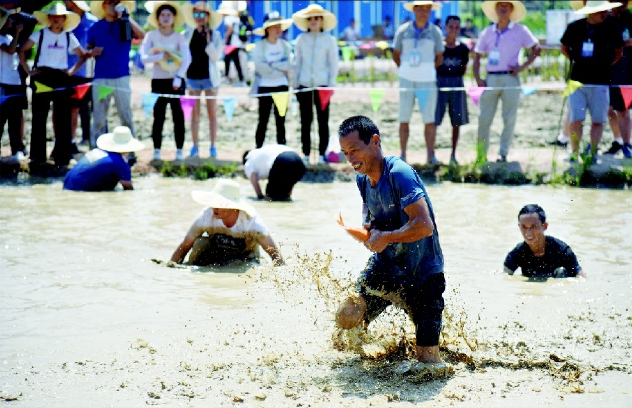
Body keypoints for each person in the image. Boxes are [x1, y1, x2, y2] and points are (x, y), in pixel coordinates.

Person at [335, 116, 446, 370]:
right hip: (386, 266)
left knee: (427, 365)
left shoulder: (399, 174)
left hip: (424, 272)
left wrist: (385, 237)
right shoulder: (362, 178)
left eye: (355, 151)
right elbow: (369, 211)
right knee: (346, 316)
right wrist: (368, 228)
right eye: (345, 153)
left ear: (375, 141)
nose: (351, 160)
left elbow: (424, 225)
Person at [18, 3, 87, 169]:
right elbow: (22, 50)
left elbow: (82, 55)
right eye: (54, 17)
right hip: (41, 75)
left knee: (63, 117)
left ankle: (62, 157)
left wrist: (71, 72)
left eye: (60, 17)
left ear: (64, 19)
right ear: (49, 18)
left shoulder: (69, 36)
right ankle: (37, 157)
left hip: (61, 77)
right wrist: (28, 71)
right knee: (39, 117)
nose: (57, 20)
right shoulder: (40, 34)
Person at [474, 1, 540, 163]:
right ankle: (481, 154)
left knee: (509, 117)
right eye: (500, 6)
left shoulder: (520, 30)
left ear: (511, 10)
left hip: (510, 77)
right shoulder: (487, 32)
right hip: (490, 77)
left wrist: (522, 67)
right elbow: (477, 55)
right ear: (496, 9)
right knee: (484, 117)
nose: (503, 9)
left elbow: (536, 48)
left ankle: (502, 153)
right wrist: (477, 77)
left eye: (507, 6)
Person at [561, 0, 623, 162]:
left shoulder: (611, 28)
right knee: (576, 118)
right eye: (599, 11)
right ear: (589, 12)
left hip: (601, 81)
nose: (603, 14)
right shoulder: (574, 28)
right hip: (577, 81)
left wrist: (603, 65)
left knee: (598, 119)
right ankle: (574, 152)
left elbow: (619, 52)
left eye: (605, 11)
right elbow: (564, 48)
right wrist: (578, 61)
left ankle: (593, 153)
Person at [170, 179, 285, 266]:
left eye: (220, 204)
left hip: (246, 258)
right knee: (199, 243)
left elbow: (275, 254)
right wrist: (172, 266)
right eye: (214, 203)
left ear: (234, 207)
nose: (215, 207)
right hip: (216, 254)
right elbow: (185, 246)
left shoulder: (252, 223)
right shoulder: (206, 216)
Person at [87, 1, 144, 153]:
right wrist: (92, 53)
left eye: (117, 2)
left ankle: (130, 152)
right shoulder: (95, 27)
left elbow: (142, 35)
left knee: (125, 114)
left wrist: (127, 17)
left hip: (122, 77)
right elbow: (87, 50)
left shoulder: (125, 24)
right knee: (99, 117)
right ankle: (95, 151)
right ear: (104, 6)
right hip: (101, 77)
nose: (114, 5)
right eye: (110, 2)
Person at [392, 1, 444, 165]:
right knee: (404, 118)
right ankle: (403, 154)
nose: (423, 12)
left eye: (427, 9)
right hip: (406, 80)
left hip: (427, 80)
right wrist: (407, 69)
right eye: (420, 9)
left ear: (430, 11)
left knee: (429, 119)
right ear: (414, 10)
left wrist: (425, 70)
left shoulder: (435, 32)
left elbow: (439, 57)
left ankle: (430, 155)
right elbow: (396, 54)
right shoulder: (403, 30)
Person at [141, 0, 191, 162]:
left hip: (176, 82)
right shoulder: (151, 35)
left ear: (174, 17)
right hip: (158, 80)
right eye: (162, 15)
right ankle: (156, 150)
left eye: (169, 15)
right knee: (159, 116)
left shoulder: (179, 37)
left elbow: (187, 58)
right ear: (157, 17)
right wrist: (160, 56)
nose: (165, 18)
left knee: (178, 116)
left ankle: (179, 150)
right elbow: (144, 58)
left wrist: (178, 77)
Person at [292, 4, 339, 165]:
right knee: (305, 121)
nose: (313, 21)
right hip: (304, 85)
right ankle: (305, 154)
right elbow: (297, 62)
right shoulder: (300, 40)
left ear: (322, 21)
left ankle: (321, 154)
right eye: (310, 18)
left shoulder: (329, 40)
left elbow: (333, 64)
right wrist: (295, 84)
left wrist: (331, 85)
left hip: (323, 85)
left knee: (322, 121)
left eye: (316, 18)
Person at [182, 1, 223, 159]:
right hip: (193, 78)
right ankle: (195, 146)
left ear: (208, 16)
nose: (199, 18)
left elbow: (216, 56)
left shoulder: (215, 35)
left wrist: (208, 42)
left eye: (202, 14)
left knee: (212, 113)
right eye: (196, 14)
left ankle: (213, 146)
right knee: (195, 114)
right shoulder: (188, 34)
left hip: (210, 79)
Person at [504, 204, 587, 278]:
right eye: (524, 227)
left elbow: (582, 279)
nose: (528, 233)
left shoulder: (562, 250)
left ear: (545, 226)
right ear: (519, 226)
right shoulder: (517, 253)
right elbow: (504, 279)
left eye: (533, 226)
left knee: (561, 272)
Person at [252, 12, 293, 149]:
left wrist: (272, 66)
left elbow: (289, 64)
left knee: (280, 121)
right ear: (267, 29)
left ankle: (282, 150)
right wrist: (278, 69)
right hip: (264, 87)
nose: (277, 30)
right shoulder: (260, 46)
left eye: (279, 26)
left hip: (282, 86)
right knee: (262, 120)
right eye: (274, 26)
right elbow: (260, 66)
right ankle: (258, 149)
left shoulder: (285, 46)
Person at [58, 1, 97, 148]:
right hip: (69, 73)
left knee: (93, 108)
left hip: (91, 73)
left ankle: (91, 140)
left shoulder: (93, 22)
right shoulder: (65, 21)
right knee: (73, 108)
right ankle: (72, 141)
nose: (67, 4)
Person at [63, 126, 143, 191]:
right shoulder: (121, 164)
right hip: (80, 192)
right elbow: (128, 189)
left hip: (67, 186)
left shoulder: (96, 151)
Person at [435, 15, 469, 165]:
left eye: (457, 27)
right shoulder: (438, 47)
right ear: (445, 27)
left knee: (457, 120)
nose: (453, 30)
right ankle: (432, 153)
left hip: (457, 83)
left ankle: (453, 154)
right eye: (451, 27)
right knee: (435, 119)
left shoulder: (463, 48)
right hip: (439, 83)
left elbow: (464, 68)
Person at [604, 0, 632, 158]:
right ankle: (618, 140)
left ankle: (627, 144)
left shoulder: (630, 19)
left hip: (627, 70)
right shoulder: (605, 19)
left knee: (623, 109)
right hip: (608, 71)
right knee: (609, 109)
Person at [0, 7, 26, 161]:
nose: (11, 22)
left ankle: (17, 148)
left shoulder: (9, 37)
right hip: (3, 83)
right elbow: (10, 51)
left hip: (14, 82)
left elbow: (16, 51)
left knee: (15, 118)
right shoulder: (2, 39)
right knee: (1, 118)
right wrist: (17, 33)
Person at [221, 2, 250, 86]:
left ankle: (227, 77)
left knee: (227, 60)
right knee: (236, 61)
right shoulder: (235, 18)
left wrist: (225, 39)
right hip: (237, 44)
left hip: (231, 44)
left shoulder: (228, 19)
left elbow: (229, 29)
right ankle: (240, 78)